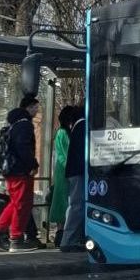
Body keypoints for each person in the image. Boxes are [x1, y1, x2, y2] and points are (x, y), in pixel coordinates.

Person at [0, 95, 41, 253]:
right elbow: (23, 147)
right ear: (28, 107)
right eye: (35, 107)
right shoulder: (25, 125)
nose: (37, 110)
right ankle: (15, 239)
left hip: (12, 169)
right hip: (20, 170)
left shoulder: (13, 124)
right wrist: (33, 164)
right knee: (22, 204)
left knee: (16, 203)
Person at [48, 106, 77, 245]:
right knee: (64, 199)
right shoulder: (63, 133)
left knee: (62, 198)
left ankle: (61, 231)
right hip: (65, 169)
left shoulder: (61, 132)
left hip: (62, 169)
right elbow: (65, 153)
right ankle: (61, 231)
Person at [60, 105, 87, 253]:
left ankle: (71, 239)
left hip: (73, 172)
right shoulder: (83, 126)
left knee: (76, 204)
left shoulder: (76, 127)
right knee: (77, 205)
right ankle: (68, 240)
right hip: (79, 172)